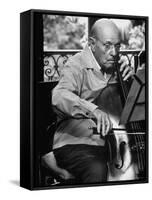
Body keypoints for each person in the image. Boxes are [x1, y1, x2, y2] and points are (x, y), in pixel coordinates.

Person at [43, 19, 134, 184]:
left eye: (118, 46)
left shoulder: (118, 68)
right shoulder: (75, 65)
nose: (114, 52)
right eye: (107, 45)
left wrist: (132, 82)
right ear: (92, 44)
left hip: (111, 144)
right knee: (97, 168)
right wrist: (93, 110)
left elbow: (131, 109)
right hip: (76, 142)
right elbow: (59, 95)